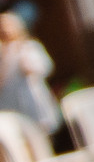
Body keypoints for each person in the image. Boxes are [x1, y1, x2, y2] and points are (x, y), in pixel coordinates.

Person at [1, 10, 64, 152]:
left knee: (42, 142)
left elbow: (44, 68)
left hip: (32, 103)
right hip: (11, 105)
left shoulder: (29, 46)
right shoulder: (2, 53)